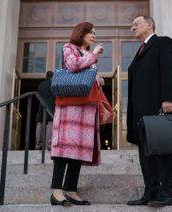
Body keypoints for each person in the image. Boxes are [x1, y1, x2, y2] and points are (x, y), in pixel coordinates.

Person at [50, 22, 104, 206]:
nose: (94, 36)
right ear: (82, 33)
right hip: (70, 108)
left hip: (86, 108)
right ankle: (57, 191)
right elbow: (72, 66)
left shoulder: (86, 53)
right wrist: (94, 54)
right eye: (91, 32)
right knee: (64, 149)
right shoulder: (69, 48)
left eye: (95, 33)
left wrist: (97, 79)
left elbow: (84, 74)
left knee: (79, 150)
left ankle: (71, 190)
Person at [126, 15, 172, 207]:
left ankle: (166, 193)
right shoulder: (140, 51)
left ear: (150, 24)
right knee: (145, 154)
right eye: (132, 25)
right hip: (141, 113)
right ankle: (150, 191)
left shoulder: (163, 43)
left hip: (158, 108)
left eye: (136, 24)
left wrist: (168, 99)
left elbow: (169, 71)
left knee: (162, 152)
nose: (133, 28)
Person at [36, 71, 55, 150]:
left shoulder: (40, 85)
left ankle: (38, 145)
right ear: (52, 77)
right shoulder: (52, 84)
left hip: (41, 107)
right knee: (50, 124)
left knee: (40, 124)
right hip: (50, 107)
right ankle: (49, 144)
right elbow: (55, 95)